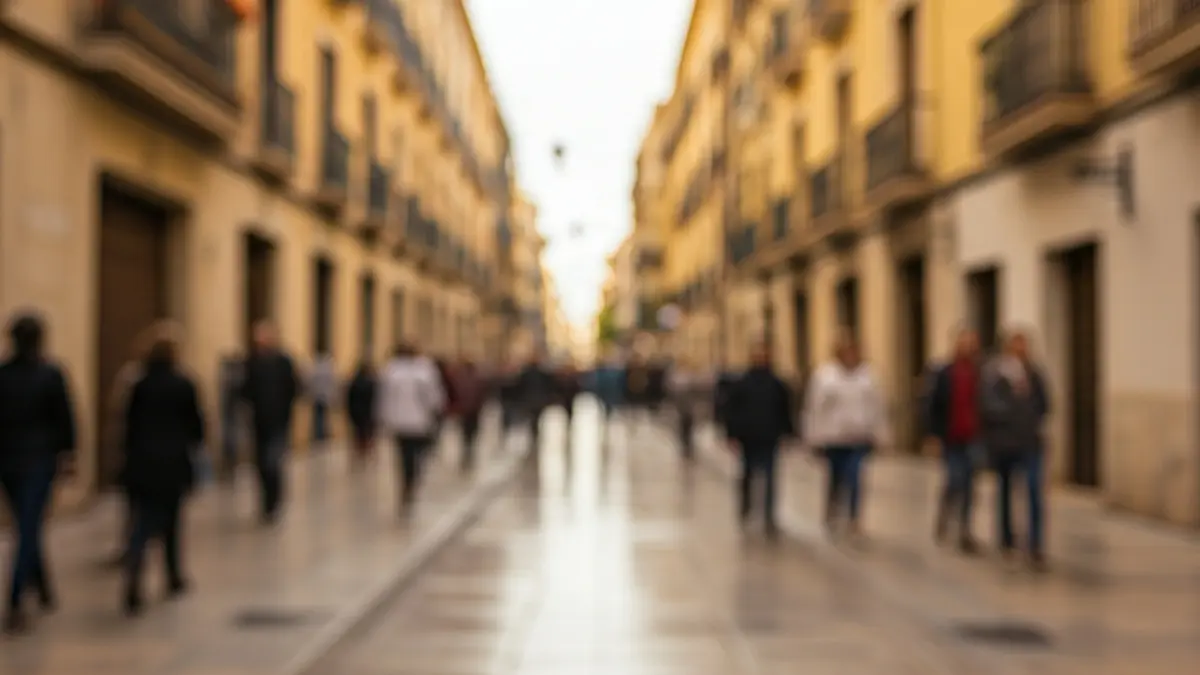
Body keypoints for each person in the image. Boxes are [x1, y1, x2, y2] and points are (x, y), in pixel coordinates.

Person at [0, 313, 77, 634]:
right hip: (37, 460)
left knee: (28, 524)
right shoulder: (49, 373)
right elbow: (65, 418)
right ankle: (17, 597)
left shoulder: (4, 375)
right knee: (29, 527)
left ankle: (43, 589)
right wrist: (69, 454)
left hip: (9, 461)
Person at [118, 330, 205, 616]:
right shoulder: (184, 384)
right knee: (172, 519)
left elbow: (128, 426)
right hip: (173, 463)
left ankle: (135, 572)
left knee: (141, 520)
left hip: (142, 463)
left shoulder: (139, 384)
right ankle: (173, 575)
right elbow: (197, 427)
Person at [804, 334, 888, 540]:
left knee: (855, 477)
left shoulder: (868, 376)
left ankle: (853, 519)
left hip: (859, 437)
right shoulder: (824, 376)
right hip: (833, 438)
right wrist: (812, 437)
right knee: (836, 478)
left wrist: (881, 434)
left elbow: (877, 407)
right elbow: (814, 408)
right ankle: (833, 511)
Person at [981, 329, 1050, 570]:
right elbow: (989, 405)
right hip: (1005, 442)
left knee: (1033, 490)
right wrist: (1015, 410)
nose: (1022, 349)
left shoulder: (1034, 374)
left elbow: (1045, 403)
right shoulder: (996, 374)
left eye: (1025, 344)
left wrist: (1031, 418)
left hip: (1030, 441)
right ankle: (1007, 538)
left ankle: (1035, 543)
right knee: (1005, 490)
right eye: (1018, 344)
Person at [102, 323, 161, 567]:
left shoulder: (132, 378)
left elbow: (118, 413)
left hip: (138, 452)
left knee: (137, 504)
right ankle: (143, 546)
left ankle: (135, 545)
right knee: (151, 505)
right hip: (158, 456)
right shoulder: (140, 379)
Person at [724, 343, 794, 539]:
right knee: (748, 474)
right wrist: (732, 434)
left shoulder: (777, 384)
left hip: (769, 436)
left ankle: (770, 515)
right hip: (748, 437)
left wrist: (787, 433)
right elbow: (732, 410)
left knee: (771, 476)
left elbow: (785, 410)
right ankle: (746, 508)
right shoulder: (742, 383)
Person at [925, 327, 983, 553]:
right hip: (951, 437)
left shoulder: (980, 372)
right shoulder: (944, 373)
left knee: (970, 485)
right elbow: (933, 406)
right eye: (965, 342)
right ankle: (945, 519)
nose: (969, 347)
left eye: (972, 343)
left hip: (973, 436)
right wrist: (933, 435)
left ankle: (965, 529)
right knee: (955, 480)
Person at [240, 322, 298, 524]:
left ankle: (274, 502)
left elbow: (293, 387)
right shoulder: (251, 361)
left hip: (278, 420)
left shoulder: (283, 362)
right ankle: (266, 501)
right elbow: (245, 389)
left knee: (273, 462)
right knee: (261, 464)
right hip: (259, 421)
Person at [377, 343, 445, 513]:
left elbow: (383, 399)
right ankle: (412, 481)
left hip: (399, 423)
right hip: (420, 421)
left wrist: (384, 419)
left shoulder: (390, 371)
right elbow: (434, 397)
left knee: (403, 456)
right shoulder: (425, 370)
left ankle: (407, 483)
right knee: (419, 453)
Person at [515, 353, 558, 450]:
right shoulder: (537, 373)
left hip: (532, 400)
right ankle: (535, 434)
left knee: (534, 418)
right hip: (537, 400)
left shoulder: (527, 373)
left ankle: (535, 434)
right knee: (535, 418)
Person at [452, 359, 486, 472]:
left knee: (465, 432)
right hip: (473, 410)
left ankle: (467, 448)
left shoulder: (459, 380)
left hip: (464, 410)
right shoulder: (477, 379)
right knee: (472, 431)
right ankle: (469, 448)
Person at [345, 361, 378, 466]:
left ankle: (359, 451)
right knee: (367, 432)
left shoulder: (354, 382)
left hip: (356, 411)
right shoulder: (371, 383)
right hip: (368, 412)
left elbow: (349, 398)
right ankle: (366, 451)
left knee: (358, 433)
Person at [307, 351, 337, 449]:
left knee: (319, 417)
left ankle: (319, 435)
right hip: (323, 398)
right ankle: (320, 436)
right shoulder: (327, 370)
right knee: (321, 417)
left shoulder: (315, 369)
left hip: (318, 397)